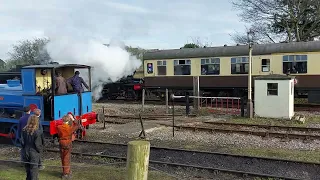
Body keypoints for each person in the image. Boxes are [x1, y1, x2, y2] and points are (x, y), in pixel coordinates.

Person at [20, 115, 43, 180]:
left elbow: (22, 142)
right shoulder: (36, 132)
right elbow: (37, 144)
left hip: (25, 151)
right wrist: (39, 151)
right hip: (34, 152)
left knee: (28, 171)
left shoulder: (24, 130)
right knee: (34, 171)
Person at [57, 114, 79, 179]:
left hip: (61, 143)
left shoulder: (59, 127)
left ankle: (65, 171)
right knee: (67, 158)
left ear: (62, 120)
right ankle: (66, 173)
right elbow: (77, 125)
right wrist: (73, 119)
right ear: (68, 120)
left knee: (62, 157)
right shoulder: (69, 128)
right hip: (68, 143)